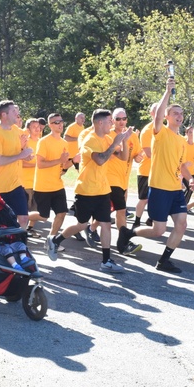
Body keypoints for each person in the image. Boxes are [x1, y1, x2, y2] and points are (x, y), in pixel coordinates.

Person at [116, 78, 192, 273]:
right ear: (167, 116)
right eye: (175, 113)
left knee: (182, 225)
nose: (179, 116)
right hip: (159, 188)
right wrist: (167, 91)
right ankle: (129, 233)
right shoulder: (161, 132)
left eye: (181, 113)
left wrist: (190, 179)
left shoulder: (182, 141)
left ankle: (164, 261)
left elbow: (181, 164)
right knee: (158, 230)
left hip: (176, 190)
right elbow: (158, 115)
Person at [48, 109, 133, 273]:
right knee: (81, 225)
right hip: (86, 191)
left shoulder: (107, 138)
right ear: (100, 123)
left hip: (103, 189)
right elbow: (100, 160)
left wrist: (124, 141)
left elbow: (123, 157)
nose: (112, 124)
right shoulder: (90, 140)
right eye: (110, 121)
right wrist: (115, 143)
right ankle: (55, 240)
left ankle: (106, 261)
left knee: (106, 224)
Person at [0, 100, 33, 228]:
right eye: (13, 111)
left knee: (23, 218)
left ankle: (20, 240)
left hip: (15, 184)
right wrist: (20, 155)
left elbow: (19, 153)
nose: (17, 113)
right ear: (4, 115)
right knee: (1, 223)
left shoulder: (16, 130)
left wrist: (25, 154)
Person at [32, 114, 73, 254]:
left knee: (62, 213)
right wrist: (59, 160)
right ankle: (21, 217)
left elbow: (63, 167)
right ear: (50, 125)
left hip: (57, 185)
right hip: (43, 186)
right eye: (56, 122)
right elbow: (40, 164)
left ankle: (51, 240)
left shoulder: (64, 143)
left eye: (61, 121)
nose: (60, 124)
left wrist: (73, 161)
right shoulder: (43, 142)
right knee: (44, 216)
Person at [107, 108, 143, 255]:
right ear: (112, 120)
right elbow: (116, 154)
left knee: (108, 211)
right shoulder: (109, 135)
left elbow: (137, 154)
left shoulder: (132, 135)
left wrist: (138, 157)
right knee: (121, 210)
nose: (121, 121)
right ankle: (123, 244)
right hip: (110, 178)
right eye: (118, 119)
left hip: (124, 180)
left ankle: (90, 228)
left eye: (124, 118)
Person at [132, 103, 159, 228]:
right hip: (146, 171)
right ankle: (136, 221)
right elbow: (148, 153)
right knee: (144, 199)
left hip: (159, 171)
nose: (159, 113)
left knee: (157, 198)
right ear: (151, 114)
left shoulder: (166, 129)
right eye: (156, 110)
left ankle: (151, 219)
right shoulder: (147, 131)